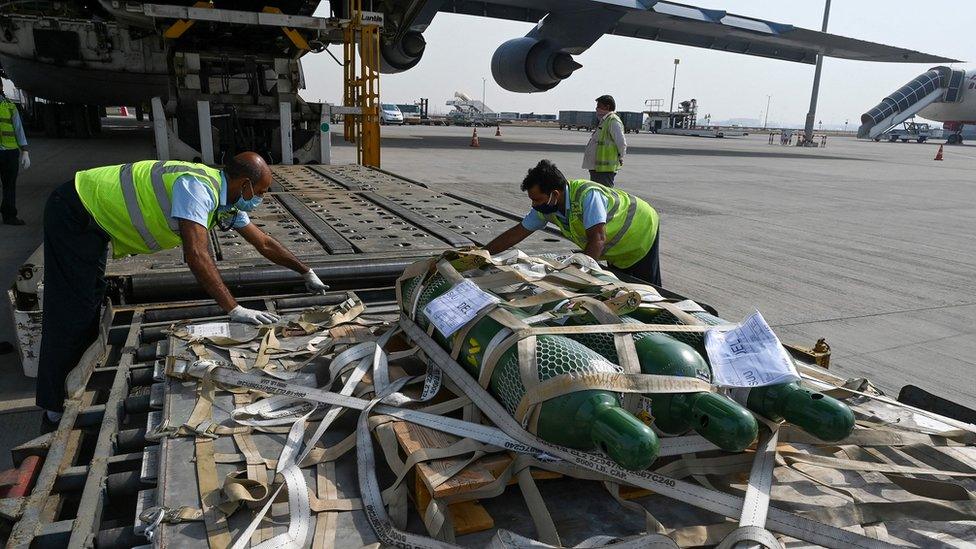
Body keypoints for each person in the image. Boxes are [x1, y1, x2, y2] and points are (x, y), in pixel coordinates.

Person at [36, 153, 329, 424]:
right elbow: (196, 255)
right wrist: (234, 308)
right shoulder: (197, 188)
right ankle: (54, 405)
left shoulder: (226, 201)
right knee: (71, 306)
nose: (261, 199)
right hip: (75, 210)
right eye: (261, 193)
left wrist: (306, 271)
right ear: (246, 186)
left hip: (92, 218)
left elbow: (263, 242)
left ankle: (75, 376)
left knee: (88, 297)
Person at [486, 159, 660, 285]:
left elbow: (597, 239)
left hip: (640, 232)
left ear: (555, 194)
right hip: (616, 248)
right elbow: (517, 233)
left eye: (537, 199)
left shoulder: (587, 195)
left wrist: (577, 278)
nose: (534, 205)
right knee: (622, 285)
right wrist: (483, 254)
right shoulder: (548, 208)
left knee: (647, 290)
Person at [0, 90, 30, 225]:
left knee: (9, 185)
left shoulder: (10, 106)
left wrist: (25, 150)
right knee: (9, 186)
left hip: (10, 152)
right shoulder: (10, 106)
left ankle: (9, 215)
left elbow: (18, 129)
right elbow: (19, 129)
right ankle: (9, 215)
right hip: (9, 154)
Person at [582, 94, 626, 187]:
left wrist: (621, 156)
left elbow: (621, 143)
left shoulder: (613, 121)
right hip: (597, 168)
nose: (596, 109)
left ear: (607, 107)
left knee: (605, 194)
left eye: (599, 106)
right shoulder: (605, 121)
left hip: (605, 169)